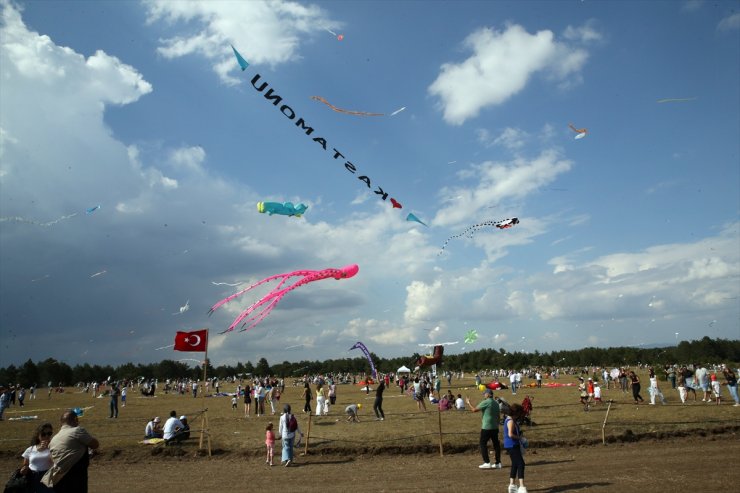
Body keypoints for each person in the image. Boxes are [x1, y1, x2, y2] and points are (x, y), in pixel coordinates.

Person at [41, 409, 100, 493]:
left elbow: (52, 459)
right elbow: (95, 445)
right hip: (75, 477)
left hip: (58, 478)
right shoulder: (77, 430)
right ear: (76, 420)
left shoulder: (54, 439)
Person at [466, 388, 502, 470]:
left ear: (488, 394)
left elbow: (474, 410)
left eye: (485, 394)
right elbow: (498, 416)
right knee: (496, 445)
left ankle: (487, 462)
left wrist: (468, 403)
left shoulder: (486, 402)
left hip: (487, 427)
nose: (484, 395)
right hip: (495, 427)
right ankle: (498, 462)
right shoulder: (496, 403)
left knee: (482, 443)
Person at [20, 422, 54, 492]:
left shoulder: (54, 448)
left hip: (47, 477)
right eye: (43, 434)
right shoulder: (30, 449)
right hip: (32, 477)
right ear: (38, 435)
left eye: (49, 433)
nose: (47, 436)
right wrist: (24, 469)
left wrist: (49, 448)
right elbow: (25, 465)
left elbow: (55, 462)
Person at [504, 403, 527, 493]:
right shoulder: (510, 421)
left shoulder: (510, 420)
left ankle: (512, 485)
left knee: (515, 464)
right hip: (512, 444)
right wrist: (521, 438)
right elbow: (510, 434)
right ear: (516, 413)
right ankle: (521, 486)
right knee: (521, 464)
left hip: (511, 445)